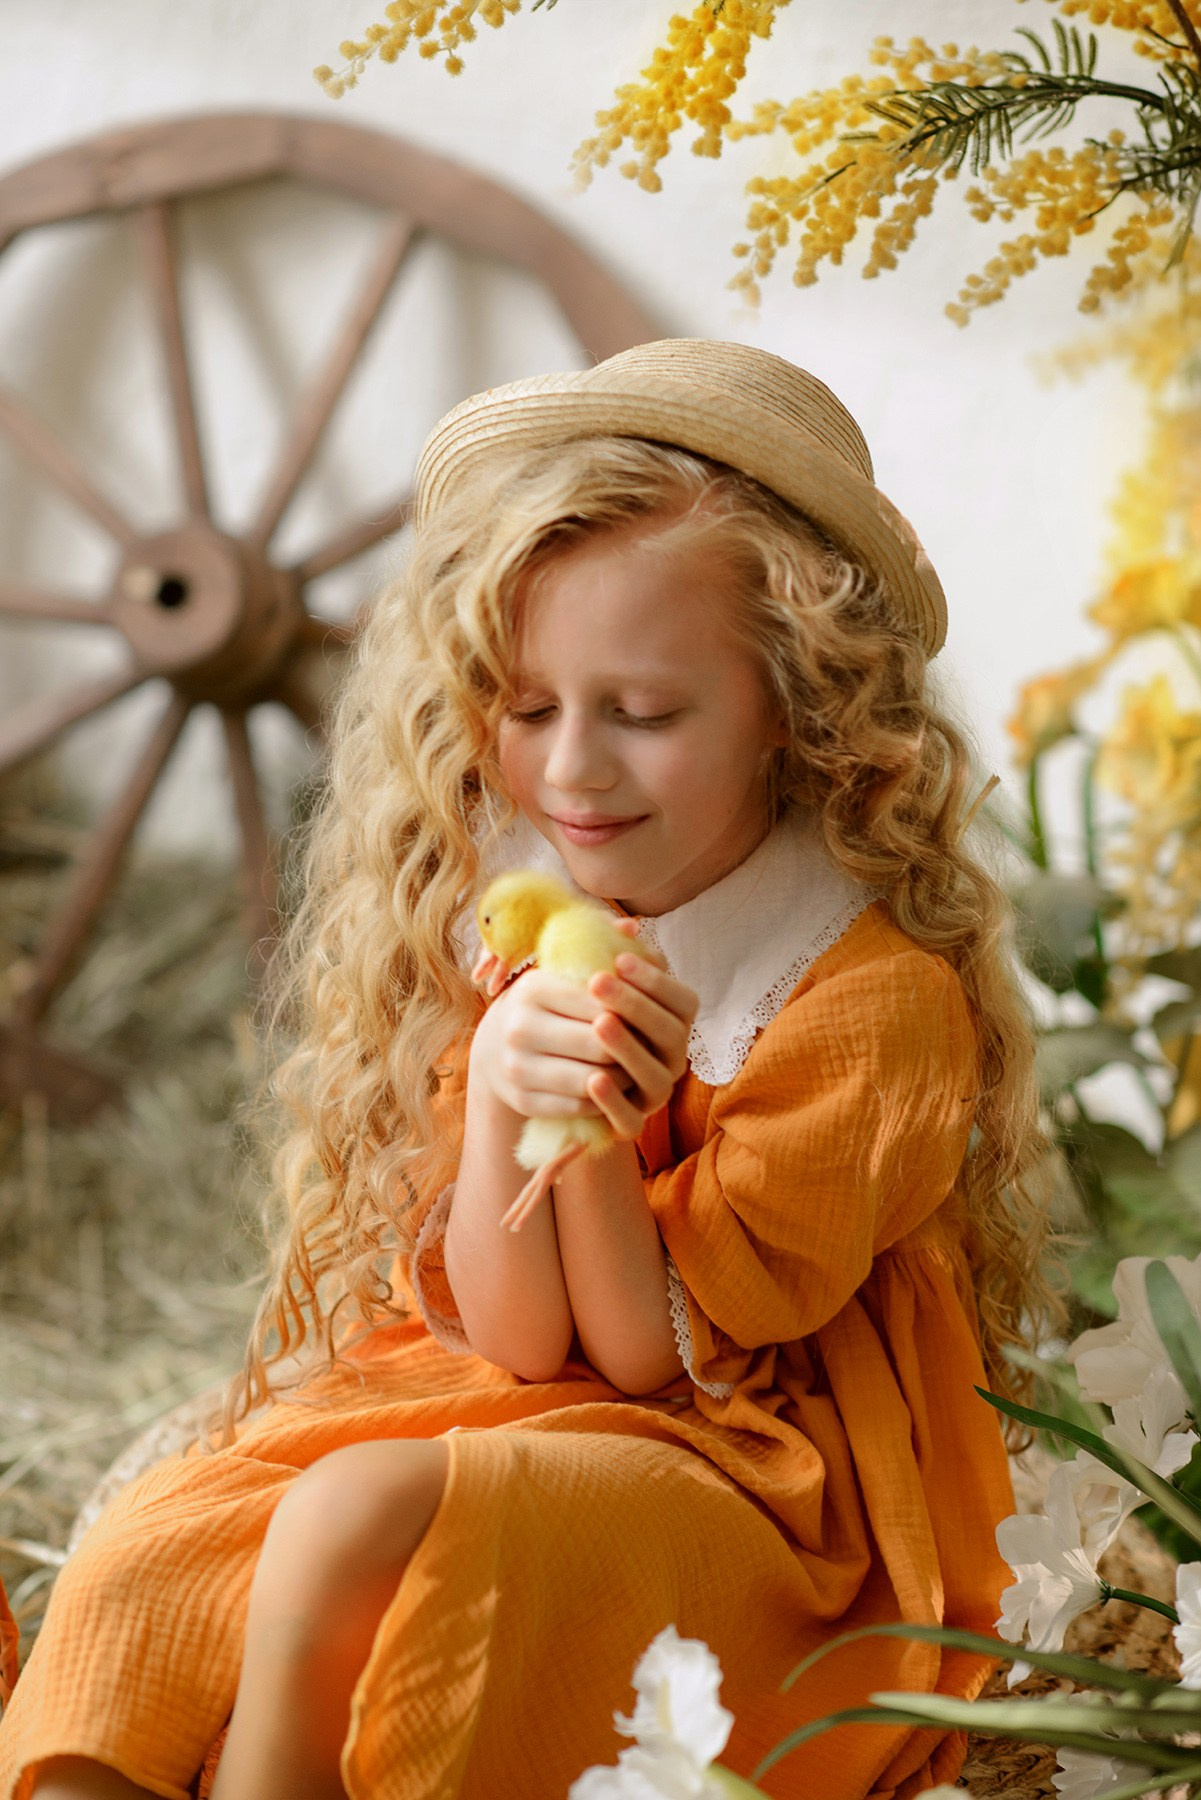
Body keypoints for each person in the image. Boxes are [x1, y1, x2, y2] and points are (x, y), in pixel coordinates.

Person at [0, 339, 1055, 1800]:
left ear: (794, 714)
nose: (573, 772)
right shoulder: (525, 939)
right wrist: (503, 1088)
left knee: (358, 1520)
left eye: (643, 714)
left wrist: (604, 1142)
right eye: (528, 706)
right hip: (518, 1386)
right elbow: (506, 1332)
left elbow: (640, 1361)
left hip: (757, 1483)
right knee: (155, 1549)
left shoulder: (860, 1000)